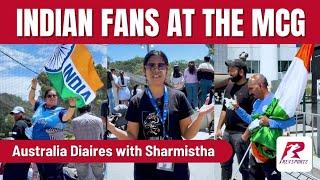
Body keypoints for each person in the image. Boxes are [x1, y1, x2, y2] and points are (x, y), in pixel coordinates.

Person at [106, 50, 214, 180]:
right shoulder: (136, 100)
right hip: (145, 170)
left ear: (166, 69)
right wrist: (112, 129)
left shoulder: (178, 97)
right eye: (151, 65)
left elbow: (187, 134)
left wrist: (200, 116)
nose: (156, 69)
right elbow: (132, 137)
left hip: (176, 169)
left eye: (160, 65)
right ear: (144, 69)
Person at [232, 74, 295, 180]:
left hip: (270, 152)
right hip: (255, 150)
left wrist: (270, 122)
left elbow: (291, 121)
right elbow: (252, 121)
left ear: (261, 85)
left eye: (251, 88)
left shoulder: (277, 102)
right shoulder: (256, 103)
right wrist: (238, 108)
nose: (250, 92)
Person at [28, 78, 76, 180]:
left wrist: (72, 106)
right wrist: (33, 86)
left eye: (54, 95)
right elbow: (31, 99)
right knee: (43, 176)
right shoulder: (40, 106)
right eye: (49, 96)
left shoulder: (59, 111)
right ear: (45, 98)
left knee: (54, 177)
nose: (52, 97)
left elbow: (67, 116)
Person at [215, 59, 254, 180]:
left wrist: (246, 136)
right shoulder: (230, 85)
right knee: (224, 165)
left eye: (232, 70)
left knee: (244, 168)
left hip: (241, 134)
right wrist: (218, 128)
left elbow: (254, 116)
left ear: (241, 72)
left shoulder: (250, 89)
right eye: (228, 70)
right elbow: (224, 109)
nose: (229, 72)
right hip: (227, 133)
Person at [72, 105, 105, 180]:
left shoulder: (74, 121)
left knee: (82, 177)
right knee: (99, 176)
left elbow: (75, 136)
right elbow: (102, 136)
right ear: (90, 109)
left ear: (79, 110)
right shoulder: (98, 120)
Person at [3, 106, 31, 180]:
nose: (14, 115)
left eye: (16, 113)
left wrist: (5, 160)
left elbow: (12, 143)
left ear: (22, 114)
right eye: (14, 114)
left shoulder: (18, 124)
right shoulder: (27, 125)